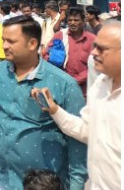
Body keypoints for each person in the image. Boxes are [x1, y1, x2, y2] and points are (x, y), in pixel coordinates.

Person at [0, 15, 87, 190]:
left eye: (11, 41)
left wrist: (77, 185)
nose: (4, 46)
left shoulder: (63, 84)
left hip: (45, 184)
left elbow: (78, 141)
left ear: (32, 44)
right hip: (6, 179)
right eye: (3, 40)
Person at [34, 22, 121, 190]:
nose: (94, 53)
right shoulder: (100, 86)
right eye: (95, 47)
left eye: (102, 49)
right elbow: (87, 130)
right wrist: (55, 110)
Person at [44, 7, 95, 95]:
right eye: (70, 20)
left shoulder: (92, 40)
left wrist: (75, 80)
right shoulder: (60, 36)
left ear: (83, 21)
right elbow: (45, 55)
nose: (72, 23)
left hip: (84, 90)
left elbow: (95, 66)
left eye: (76, 20)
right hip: (60, 86)